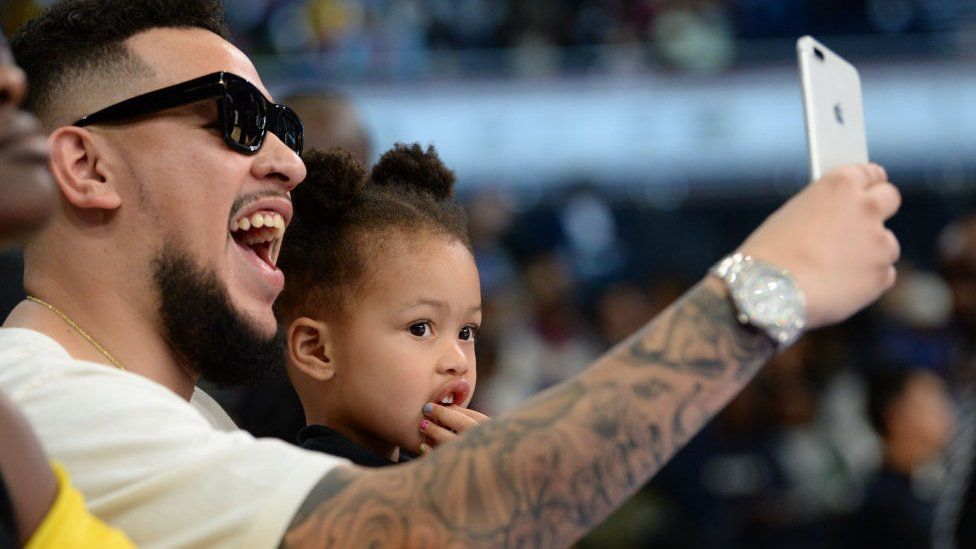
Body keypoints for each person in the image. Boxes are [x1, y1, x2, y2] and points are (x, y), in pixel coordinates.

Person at [1, 0, 900, 546]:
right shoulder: (43, 399)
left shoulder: (182, 411)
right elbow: (422, 531)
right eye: (235, 118)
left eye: (285, 126)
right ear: (85, 166)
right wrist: (762, 291)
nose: (288, 161)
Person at [0, 30, 133, 548]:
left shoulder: (9, 442)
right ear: (85, 165)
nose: (10, 81)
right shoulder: (33, 384)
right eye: (224, 125)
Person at [276, 144, 489, 466]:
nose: (458, 361)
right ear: (317, 349)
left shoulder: (419, 479)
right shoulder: (321, 491)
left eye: (466, 331)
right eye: (420, 328)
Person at [855, 366, 954, 549]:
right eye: (933, 400)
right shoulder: (887, 507)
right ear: (897, 416)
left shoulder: (921, 488)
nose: (947, 411)